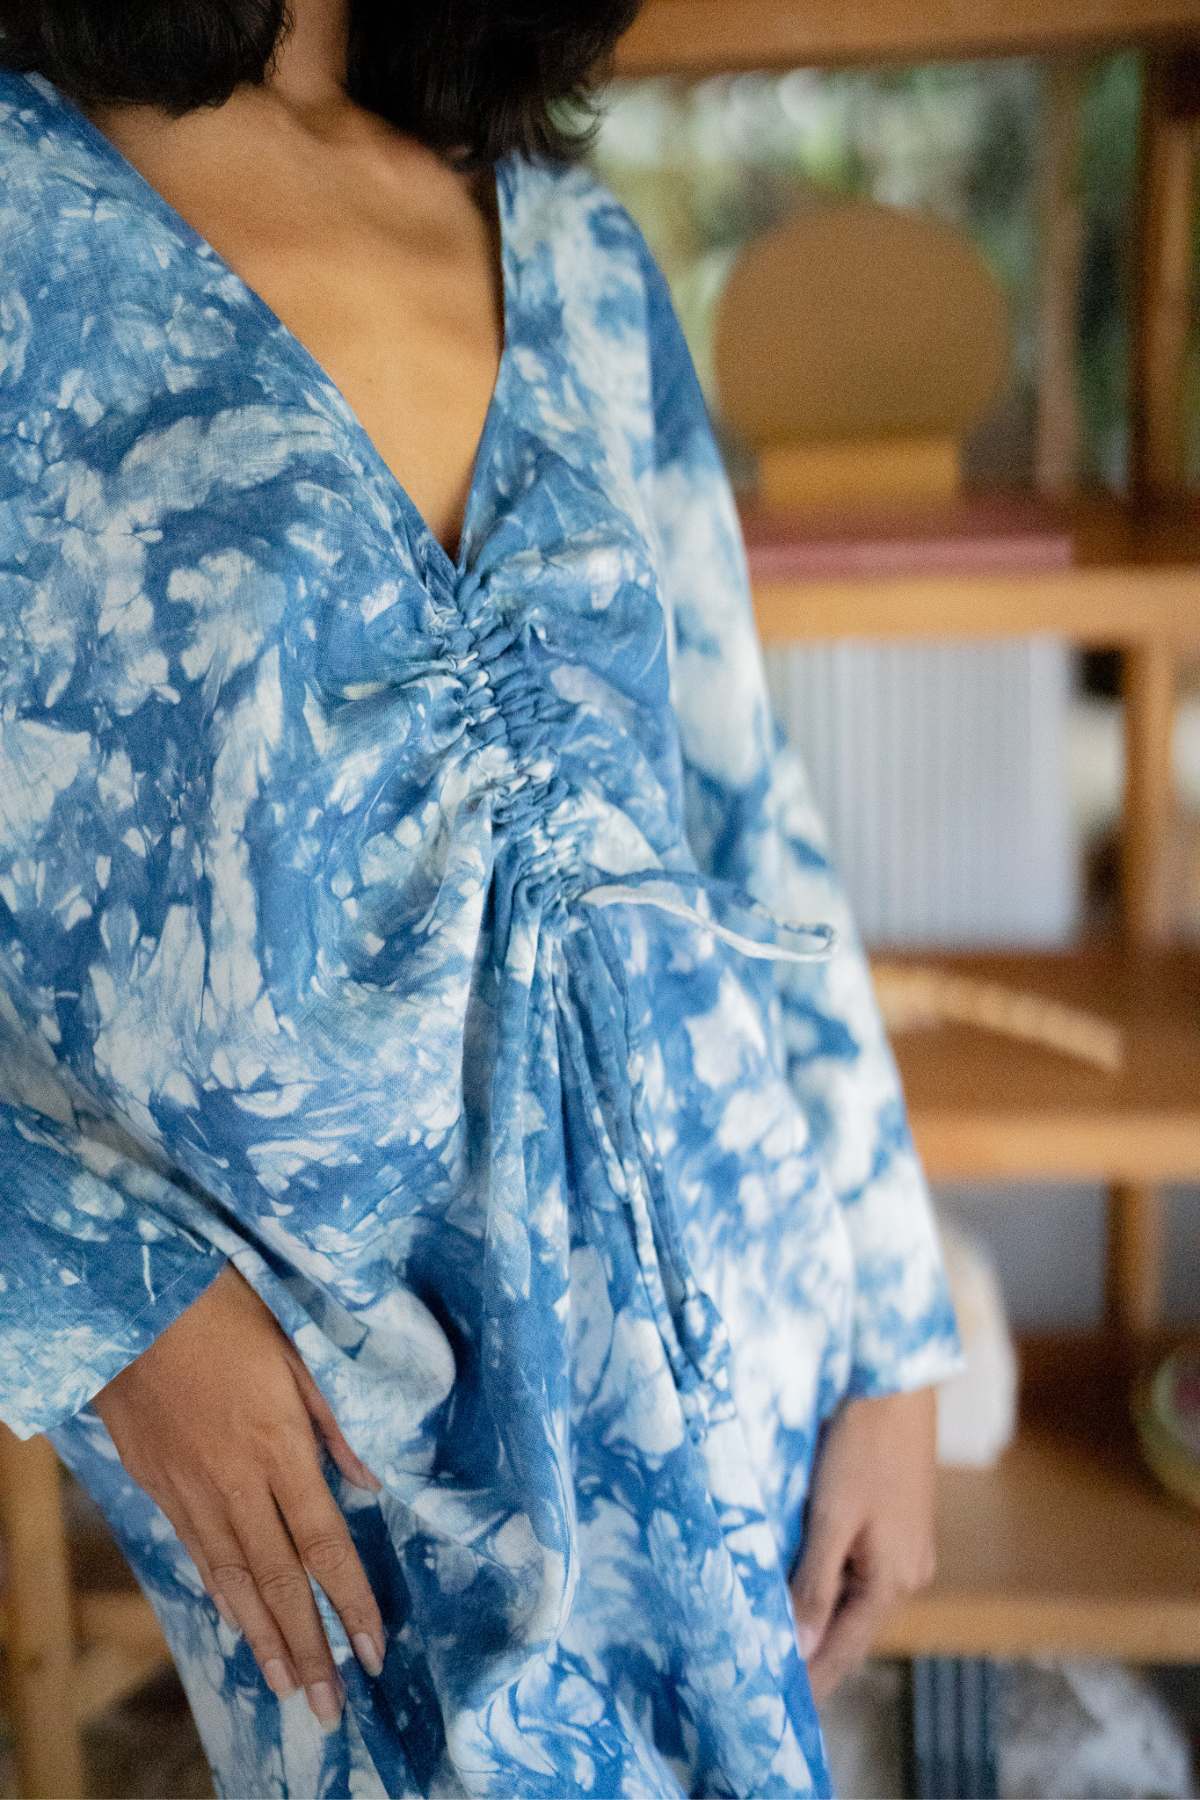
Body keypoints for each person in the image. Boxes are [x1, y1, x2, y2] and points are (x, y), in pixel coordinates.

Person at [0, 2, 965, 1793]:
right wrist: (90, 1297)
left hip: (740, 1349)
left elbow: (743, 808)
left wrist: (895, 1337)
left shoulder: (574, 240)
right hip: (351, 1475)